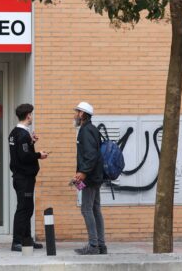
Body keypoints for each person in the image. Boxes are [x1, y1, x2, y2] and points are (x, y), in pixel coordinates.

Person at [9, 103, 49, 252]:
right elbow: (24, 156)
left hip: (20, 176)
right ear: (28, 116)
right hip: (24, 177)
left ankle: (26, 240)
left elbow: (20, 151)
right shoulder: (22, 134)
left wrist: (31, 142)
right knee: (23, 208)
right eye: (31, 114)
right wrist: (39, 155)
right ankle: (17, 241)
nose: (32, 117)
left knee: (27, 208)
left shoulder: (15, 133)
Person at [72, 101, 107, 255]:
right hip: (96, 175)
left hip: (90, 177)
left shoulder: (86, 131)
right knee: (95, 209)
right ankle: (101, 245)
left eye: (77, 112)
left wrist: (83, 172)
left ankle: (93, 245)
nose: (75, 115)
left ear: (82, 114)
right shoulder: (92, 129)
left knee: (86, 209)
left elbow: (91, 155)